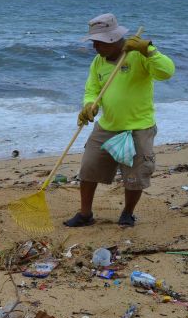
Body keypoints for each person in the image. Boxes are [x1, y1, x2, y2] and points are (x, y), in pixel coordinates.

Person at [64, 13, 175, 228]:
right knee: (88, 169)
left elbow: (167, 72)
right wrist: (90, 105)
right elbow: (92, 90)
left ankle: (127, 213)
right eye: (94, 42)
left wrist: (148, 49)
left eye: (100, 42)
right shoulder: (98, 61)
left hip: (138, 128)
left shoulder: (139, 56)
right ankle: (85, 214)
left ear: (114, 39)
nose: (95, 47)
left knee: (135, 177)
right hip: (107, 126)